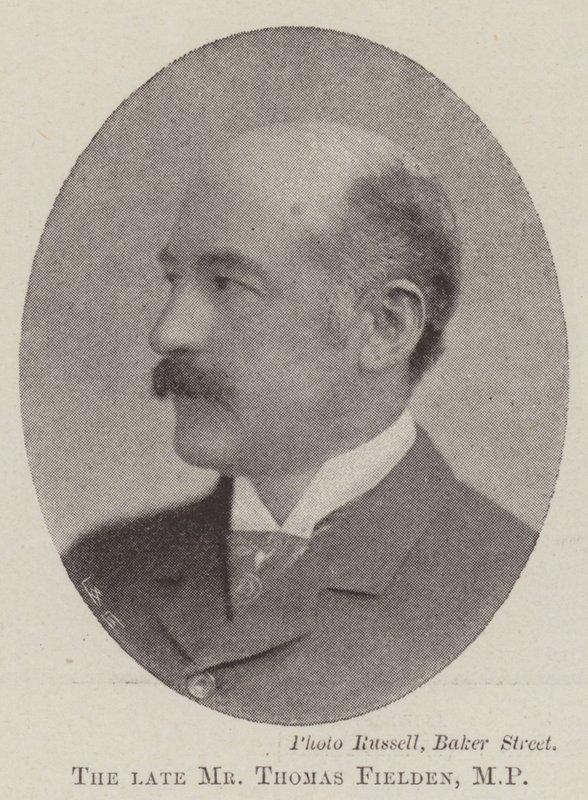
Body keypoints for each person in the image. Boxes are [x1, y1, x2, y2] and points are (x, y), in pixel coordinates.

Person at [64, 122, 537, 724]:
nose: (167, 331)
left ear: (385, 327)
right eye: (173, 280)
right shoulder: (100, 570)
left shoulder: (516, 588)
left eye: (228, 284)